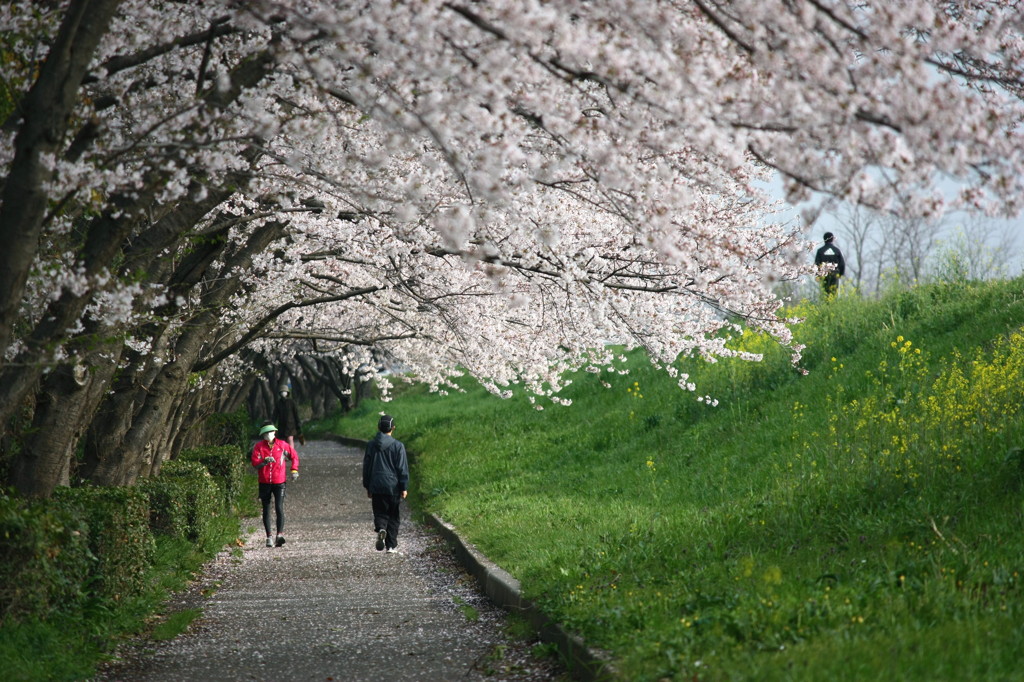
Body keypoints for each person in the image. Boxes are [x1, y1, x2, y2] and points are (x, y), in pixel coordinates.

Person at [362, 414, 408, 554]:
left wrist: (368, 485)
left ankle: (381, 528)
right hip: (392, 485)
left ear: (378, 427)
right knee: (393, 516)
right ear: (393, 428)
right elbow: (402, 467)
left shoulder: (371, 445)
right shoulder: (398, 446)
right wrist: (404, 486)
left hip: (376, 484)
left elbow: (367, 467)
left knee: (380, 512)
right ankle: (391, 546)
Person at [251, 423, 300, 547]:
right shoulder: (258, 447)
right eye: (265, 433)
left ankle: (279, 535)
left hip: (280, 481)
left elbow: (294, 456)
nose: (268, 435)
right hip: (264, 482)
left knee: (279, 507)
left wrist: (294, 470)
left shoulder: (282, 445)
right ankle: (269, 536)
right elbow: (255, 463)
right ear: (262, 435)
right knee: (266, 509)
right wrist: (264, 461)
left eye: (271, 432)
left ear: (275, 433)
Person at [814, 231, 846, 297]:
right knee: (834, 293)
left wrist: (818, 275)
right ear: (832, 239)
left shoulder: (820, 251)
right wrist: (840, 274)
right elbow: (842, 264)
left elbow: (817, 264)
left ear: (824, 239)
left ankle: (826, 306)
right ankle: (833, 305)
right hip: (835, 274)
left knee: (825, 293)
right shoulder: (837, 250)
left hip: (824, 274)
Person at [272, 384, 305, 449]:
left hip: (291, 425)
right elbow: (275, 415)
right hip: (281, 425)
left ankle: (291, 453)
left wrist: (298, 423)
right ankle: (284, 454)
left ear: (287, 393)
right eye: (282, 392)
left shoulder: (291, 402)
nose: (283, 393)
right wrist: (272, 423)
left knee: (290, 439)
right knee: (282, 441)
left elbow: (296, 414)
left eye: (284, 391)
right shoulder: (278, 403)